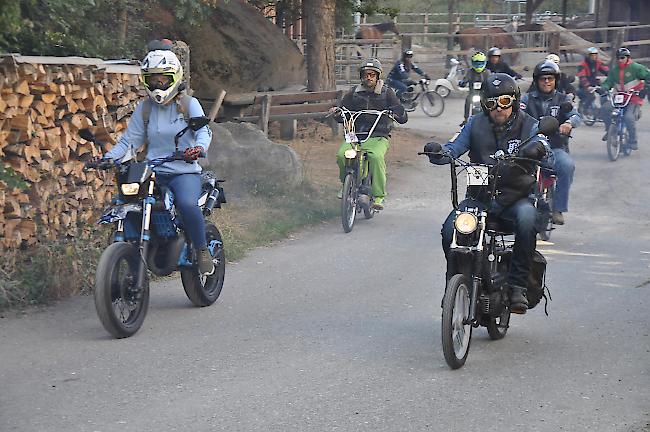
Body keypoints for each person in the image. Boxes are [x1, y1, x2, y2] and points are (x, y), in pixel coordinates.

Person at [423, 73, 547, 314]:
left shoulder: (530, 124)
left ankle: (517, 286)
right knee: (451, 228)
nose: (498, 108)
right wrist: (438, 153)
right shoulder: (474, 123)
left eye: (504, 102)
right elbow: (454, 147)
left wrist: (538, 149)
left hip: (515, 199)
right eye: (491, 103)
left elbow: (546, 148)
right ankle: (454, 285)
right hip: (479, 200)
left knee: (528, 219)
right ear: (484, 105)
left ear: (514, 101)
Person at [101, 49, 215, 275]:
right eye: (153, 79)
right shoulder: (144, 110)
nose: (158, 85)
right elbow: (129, 142)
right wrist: (106, 159)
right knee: (125, 202)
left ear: (175, 78)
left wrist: (198, 149)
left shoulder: (188, 104)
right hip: (151, 172)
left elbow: (204, 132)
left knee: (187, 204)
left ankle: (202, 250)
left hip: (184, 171)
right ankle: (133, 250)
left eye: (163, 79)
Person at [333, 59, 408, 210]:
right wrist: (336, 112)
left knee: (375, 157)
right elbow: (341, 112)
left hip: (378, 135)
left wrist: (397, 114)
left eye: (372, 75)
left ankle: (379, 195)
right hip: (356, 135)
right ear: (361, 76)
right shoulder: (353, 93)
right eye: (366, 74)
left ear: (377, 76)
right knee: (342, 155)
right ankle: (346, 185)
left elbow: (402, 115)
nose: (369, 77)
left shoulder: (387, 93)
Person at [521, 60, 581, 226]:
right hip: (529, 149)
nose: (547, 81)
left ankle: (558, 209)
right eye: (543, 78)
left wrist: (568, 124)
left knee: (567, 165)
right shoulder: (527, 99)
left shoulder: (563, 100)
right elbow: (516, 115)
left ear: (556, 80)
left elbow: (576, 115)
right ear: (537, 80)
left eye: (550, 78)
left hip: (555, 149)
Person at [599, 47, 650, 149]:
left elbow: (648, 76)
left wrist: (645, 89)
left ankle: (633, 141)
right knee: (605, 109)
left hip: (634, 98)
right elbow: (608, 82)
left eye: (622, 58)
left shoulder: (636, 68)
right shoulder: (614, 71)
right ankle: (610, 130)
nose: (620, 60)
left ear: (628, 58)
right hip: (619, 98)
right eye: (618, 58)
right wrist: (604, 88)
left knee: (628, 117)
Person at [458, 51, 490, 126]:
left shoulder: (487, 72)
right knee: (467, 101)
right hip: (472, 93)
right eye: (476, 63)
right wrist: (462, 82)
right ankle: (466, 119)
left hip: (484, 93)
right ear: (473, 63)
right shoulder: (470, 71)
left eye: (480, 63)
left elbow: (491, 80)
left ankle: (490, 118)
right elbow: (465, 79)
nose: (478, 65)